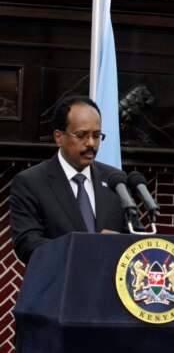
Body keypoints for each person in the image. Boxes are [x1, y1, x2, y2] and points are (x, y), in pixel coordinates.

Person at [10, 95, 127, 264]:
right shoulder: (31, 182)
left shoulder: (115, 180)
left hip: (108, 286)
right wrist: (88, 248)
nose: (91, 143)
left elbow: (135, 236)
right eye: (82, 135)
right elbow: (27, 245)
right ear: (59, 137)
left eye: (96, 135)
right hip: (61, 287)